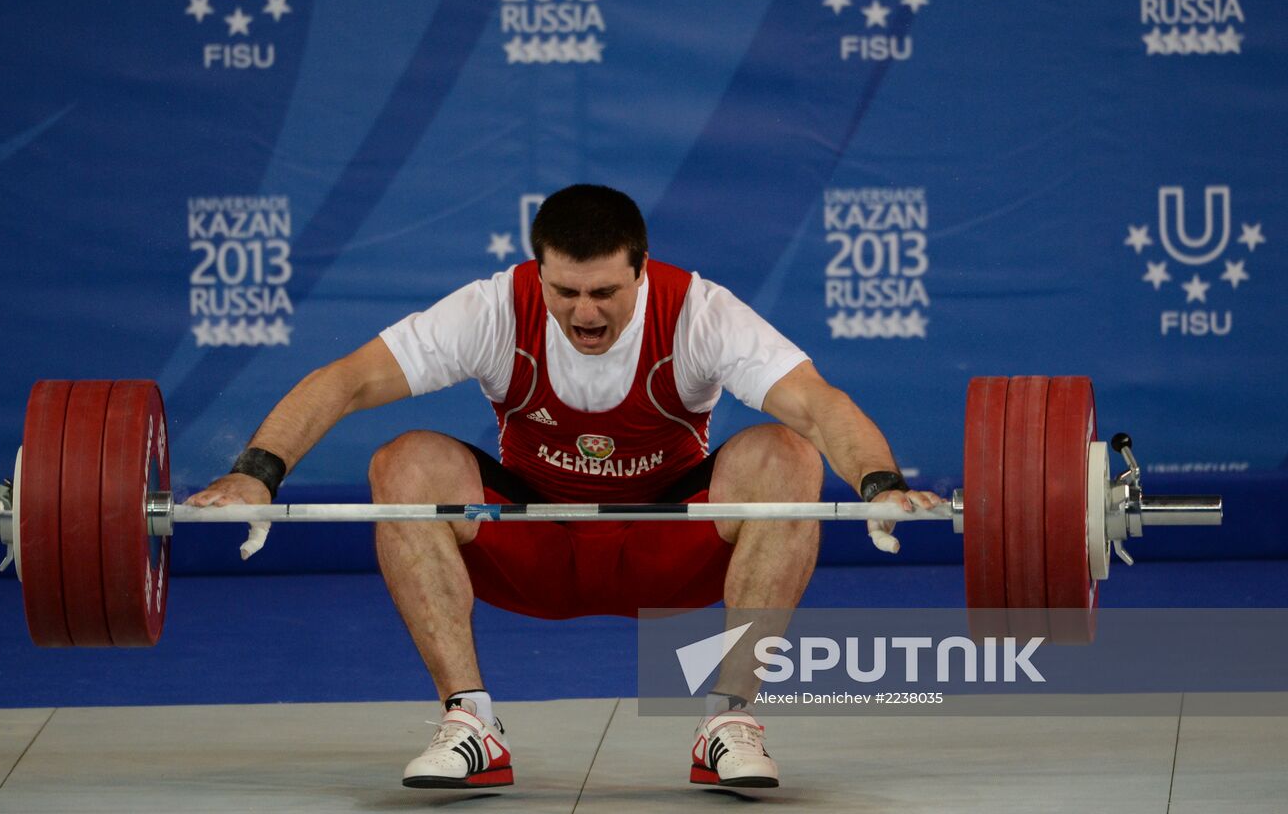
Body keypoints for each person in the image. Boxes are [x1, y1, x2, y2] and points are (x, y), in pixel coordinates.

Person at [189, 184, 941, 790]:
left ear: (641, 269)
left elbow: (816, 402)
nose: (585, 313)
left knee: (785, 452)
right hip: (535, 548)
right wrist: (258, 474)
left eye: (606, 292)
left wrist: (878, 481)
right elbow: (349, 382)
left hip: (670, 551)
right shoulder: (493, 308)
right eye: (566, 292)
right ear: (538, 269)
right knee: (404, 460)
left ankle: (730, 724)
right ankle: (471, 725)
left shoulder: (700, 315)